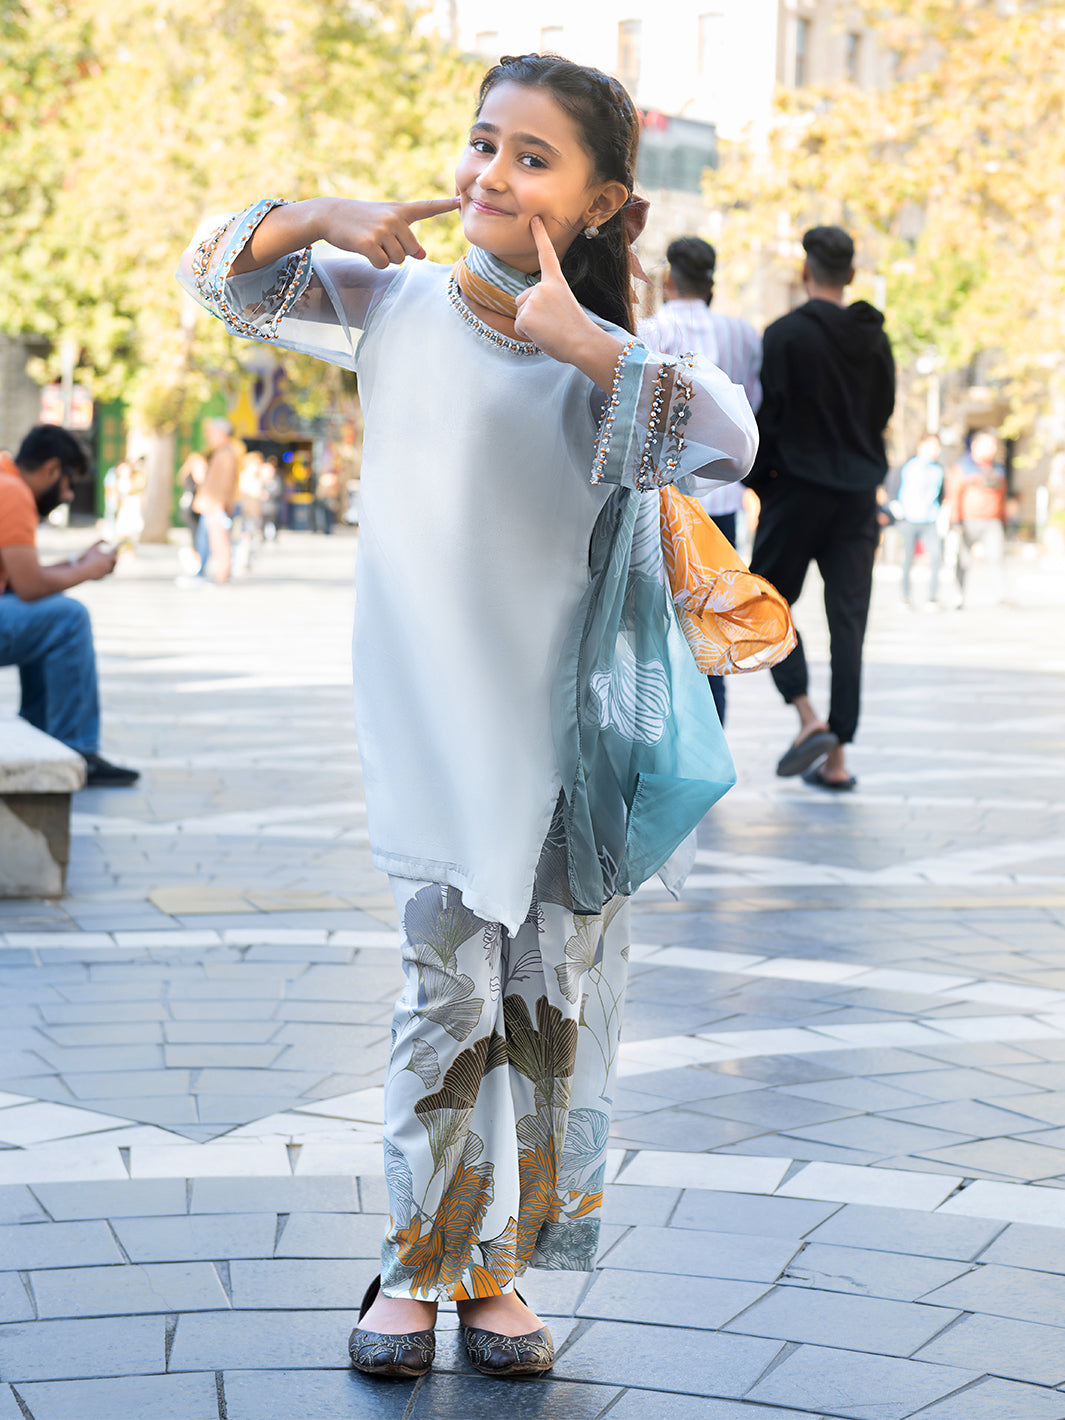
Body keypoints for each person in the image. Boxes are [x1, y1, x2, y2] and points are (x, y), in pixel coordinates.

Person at [180, 52, 755, 1381]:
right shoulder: (393, 301)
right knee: (444, 998)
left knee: (550, 1008)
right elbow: (216, 275)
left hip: (564, 745)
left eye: (532, 157)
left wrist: (584, 342)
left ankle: (499, 1271)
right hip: (434, 728)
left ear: (605, 201)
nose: (491, 173)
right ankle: (416, 1263)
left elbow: (729, 446)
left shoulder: (610, 362)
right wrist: (319, 215)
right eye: (483, 142)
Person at [747, 225, 895, 791]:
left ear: (805, 272)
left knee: (765, 600)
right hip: (858, 496)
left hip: (798, 490)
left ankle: (807, 714)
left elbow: (770, 416)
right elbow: (883, 410)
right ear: (851, 275)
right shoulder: (875, 339)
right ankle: (837, 760)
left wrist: (760, 481)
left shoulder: (785, 335)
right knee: (849, 623)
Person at [637, 235, 761, 724]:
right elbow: (751, 406)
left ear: (669, 278)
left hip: (663, 506)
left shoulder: (649, 330)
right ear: (712, 281)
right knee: (709, 628)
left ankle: (663, 733)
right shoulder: (744, 335)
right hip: (722, 505)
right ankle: (712, 738)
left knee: (654, 629)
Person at [0, 425, 139, 786]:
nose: (68, 494)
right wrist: (87, 571)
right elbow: (30, 587)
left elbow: (19, 579)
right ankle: (76, 750)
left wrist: (77, 563)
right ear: (51, 469)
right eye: (68, 482)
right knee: (68, 618)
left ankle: (40, 737)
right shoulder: (12, 492)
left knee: (51, 613)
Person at [945, 429, 1007, 607]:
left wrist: (1003, 519)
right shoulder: (962, 467)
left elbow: (1002, 496)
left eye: (993, 445)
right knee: (963, 561)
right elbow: (954, 494)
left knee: (996, 558)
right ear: (974, 446)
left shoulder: (998, 469)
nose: (992, 448)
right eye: (987, 444)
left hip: (992, 521)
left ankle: (1001, 596)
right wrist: (955, 520)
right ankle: (958, 595)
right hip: (968, 521)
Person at [890, 432, 944, 608]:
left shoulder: (938, 469)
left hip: (930, 520)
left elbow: (941, 494)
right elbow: (892, 488)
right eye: (931, 446)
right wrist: (897, 510)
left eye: (937, 447)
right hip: (908, 520)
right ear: (921, 446)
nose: (935, 450)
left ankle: (932, 598)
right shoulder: (907, 466)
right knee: (907, 560)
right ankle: (905, 597)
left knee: (936, 557)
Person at [192, 418, 238, 582]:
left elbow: (225, 483)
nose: (208, 436)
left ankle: (221, 574)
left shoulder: (226, 454)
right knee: (210, 540)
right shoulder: (222, 453)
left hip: (216, 505)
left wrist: (220, 504)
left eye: (211, 433)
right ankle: (212, 573)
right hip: (212, 504)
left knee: (219, 541)